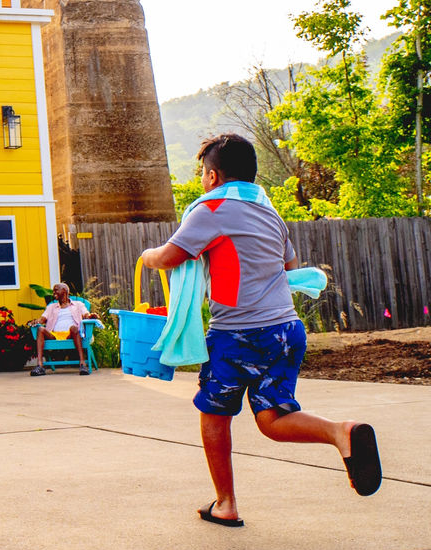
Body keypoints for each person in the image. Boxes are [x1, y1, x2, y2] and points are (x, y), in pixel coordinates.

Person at [141, 132, 381, 527]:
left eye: (203, 173)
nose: (203, 181)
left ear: (214, 176)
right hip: (286, 330)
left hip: (238, 335)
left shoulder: (211, 209)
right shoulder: (271, 214)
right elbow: (289, 268)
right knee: (273, 418)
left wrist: (147, 255)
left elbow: (169, 257)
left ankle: (226, 503)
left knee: (213, 414)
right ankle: (342, 432)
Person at [27, 282, 96, 376]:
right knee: (40, 330)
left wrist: (91, 316)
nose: (53, 293)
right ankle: (40, 366)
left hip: (70, 334)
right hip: (54, 334)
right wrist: (37, 321)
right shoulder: (51, 306)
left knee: (74, 328)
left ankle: (82, 364)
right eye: (53, 291)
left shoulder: (78, 304)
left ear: (64, 291)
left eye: (56, 290)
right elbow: (43, 318)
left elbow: (86, 314)